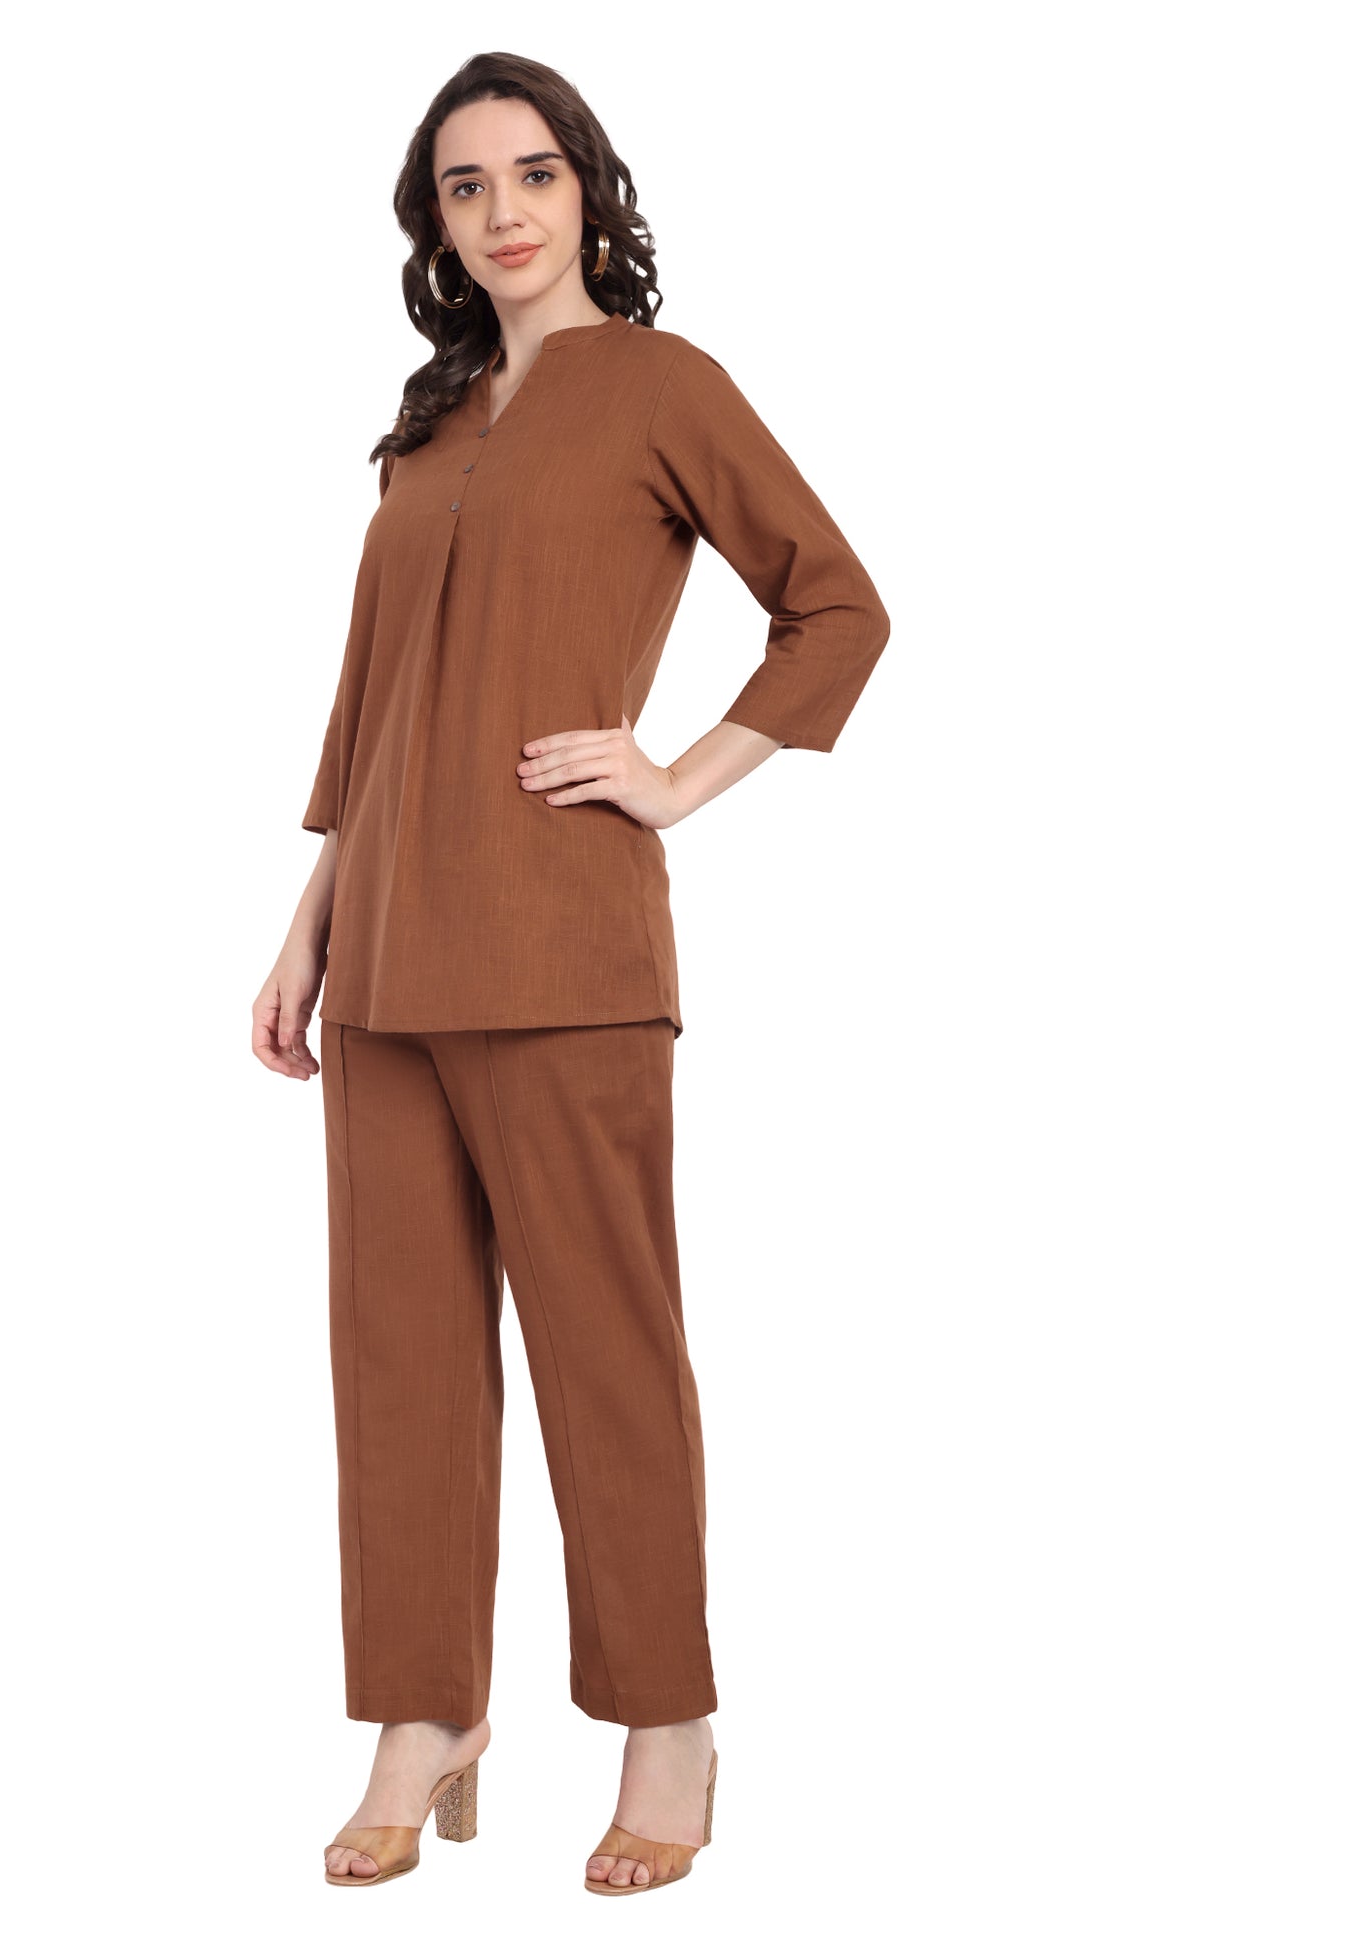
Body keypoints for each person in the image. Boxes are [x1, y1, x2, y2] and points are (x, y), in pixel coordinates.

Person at [255, 52, 889, 1897]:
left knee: (606, 1354)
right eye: (464, 187)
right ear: (434, 225)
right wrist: (304, 923)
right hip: (383, 958)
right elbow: (373, 705)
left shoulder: (663, 387)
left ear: (587, 189)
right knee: (395, 1362)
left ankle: (666, 1724)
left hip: (562, 949)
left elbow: (838, 603)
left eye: (532, 173)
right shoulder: (429, 425)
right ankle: (423, 1717)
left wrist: (677, 774)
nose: (503, 211)